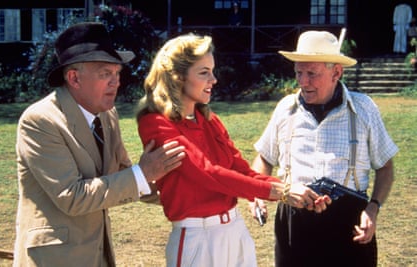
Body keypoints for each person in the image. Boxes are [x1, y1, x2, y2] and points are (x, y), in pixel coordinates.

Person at [135, 32, 330, 267]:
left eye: (212, 71)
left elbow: (243, 172)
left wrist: (295, 193)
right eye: (204, 72)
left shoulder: (209, 120)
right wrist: (282, 192)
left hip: (235, 231)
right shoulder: (156, 123)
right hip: (196, 239)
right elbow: (207, 173)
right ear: (178, 77)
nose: (213, 79)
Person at [13, 22, 186, 267]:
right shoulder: (39, 121)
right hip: (53, 260)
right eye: (106, 73)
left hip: (97, 255)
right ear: (73, 77)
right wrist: (143, 172)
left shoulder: (107, 114)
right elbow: (71, 196)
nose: (116, 82)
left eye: (117, 73)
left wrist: (191, 189)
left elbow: (124, 176)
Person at [251, 30, 399, 267]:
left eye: (312, 74)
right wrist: (257, 192)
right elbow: (264, 158)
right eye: (299, 72)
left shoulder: (363, 110)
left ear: (336, 73)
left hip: (350, 225)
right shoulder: (285, 109)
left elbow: (385, 167)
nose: (303, 81)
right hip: (294, 223)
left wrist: (373, 209)